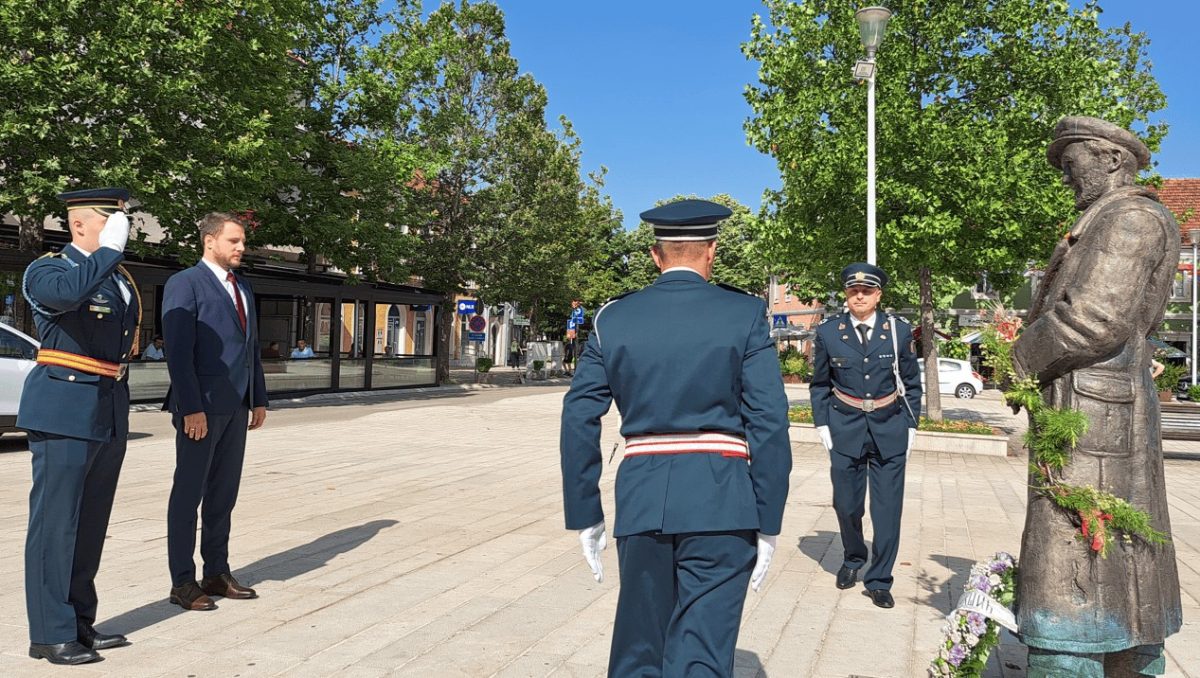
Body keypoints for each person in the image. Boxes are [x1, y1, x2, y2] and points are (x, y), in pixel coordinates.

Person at [560, 199, 791, 676]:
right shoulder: (745, 313)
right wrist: (768, 518)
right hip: (724, 500)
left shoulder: (614, 318)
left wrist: (586, 512)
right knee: (702, 649)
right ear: (711, 251)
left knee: (640, 647)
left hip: (642, 498)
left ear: (655, 254)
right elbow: (768, 420)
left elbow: (579, 415)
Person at [1010, 116, 1182, 676]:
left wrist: (1015, 360)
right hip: (1093, 409)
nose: (1066, 174)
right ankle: (1120, 649)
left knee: (1083, 561)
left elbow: (1091, 320)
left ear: (1111, 159)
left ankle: (1080, 652)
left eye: (1072, 161)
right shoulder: (1104, 218)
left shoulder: (1129, 218)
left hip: (1097, 421)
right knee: (1114, 569)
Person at [17, 188, 140, 664]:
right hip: (63, 404)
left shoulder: (117, 277)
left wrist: (110, 257)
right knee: (56, 525)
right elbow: (67, 298)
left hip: (107, 404)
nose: (119, 228)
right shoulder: (49, 269)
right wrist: (109, 250)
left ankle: (80, 624)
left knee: (89, 525)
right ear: (80, 225)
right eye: (110, 220)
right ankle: (50, 633)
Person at [162, 212, 268, 612]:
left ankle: (216, 572)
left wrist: (258, 398)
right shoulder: (184, 284)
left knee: (223, 494)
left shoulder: (244, 287)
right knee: (188, 495)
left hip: (236, 406)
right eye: (234, 241)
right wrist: (191, 407)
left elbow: (250, 348)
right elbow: (178, 352)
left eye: (242, 242)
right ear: (210, 241)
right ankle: (183, 582)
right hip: (201, 409)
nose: (241, 248)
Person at [809, 262, 921, 609]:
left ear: (878, 295)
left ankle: (880, 579)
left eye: (867, 291)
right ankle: (853, 557)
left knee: (887, 510)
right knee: (846, 504)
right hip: (844, 426)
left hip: (889, 427)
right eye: (854, 291)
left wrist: (912, 424)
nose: (860, 296)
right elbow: (819, 383)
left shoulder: (898, 331)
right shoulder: (829, 332)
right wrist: (822, 424)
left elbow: (912, 383)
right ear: (846, 294)